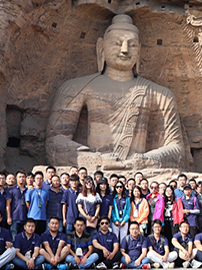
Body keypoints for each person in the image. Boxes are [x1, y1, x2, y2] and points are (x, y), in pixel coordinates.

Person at [45, 14, 189, 171]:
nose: (125, 50)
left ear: (139, 50)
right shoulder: (77, 88)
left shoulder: (161, 95)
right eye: (117, 43)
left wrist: (146, 160)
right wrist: (97, 160)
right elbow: (54, 144)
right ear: (101, 47)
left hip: (139, 173)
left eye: (132, 45)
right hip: (93, 171)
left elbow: (177, 150)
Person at [7, 171, 29, 240]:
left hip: (25, 217)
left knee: (23, 238)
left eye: (23, 177)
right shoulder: (11, 189)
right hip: (14, 217)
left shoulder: (28, 190)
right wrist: (9, 217)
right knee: (14, 238)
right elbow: (8, 204)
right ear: (16, 178)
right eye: (20, 177)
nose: (21, 178)